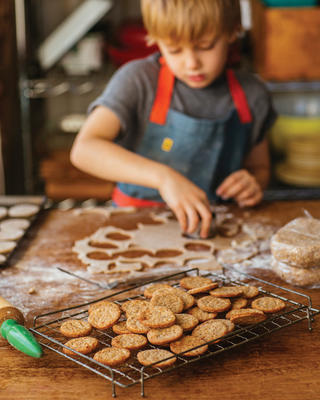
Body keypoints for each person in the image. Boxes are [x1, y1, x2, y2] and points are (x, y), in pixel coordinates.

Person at [70, 0, 277, 238]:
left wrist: (252, 184)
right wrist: (164, 178)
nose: (192, 63)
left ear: (233, 31)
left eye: (205, 46)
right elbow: (84, 149)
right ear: (155, 39)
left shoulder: (252, 95)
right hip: (135, 228)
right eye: (174, 49)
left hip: (217, 232)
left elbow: (260, 168)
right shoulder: (138, 81)